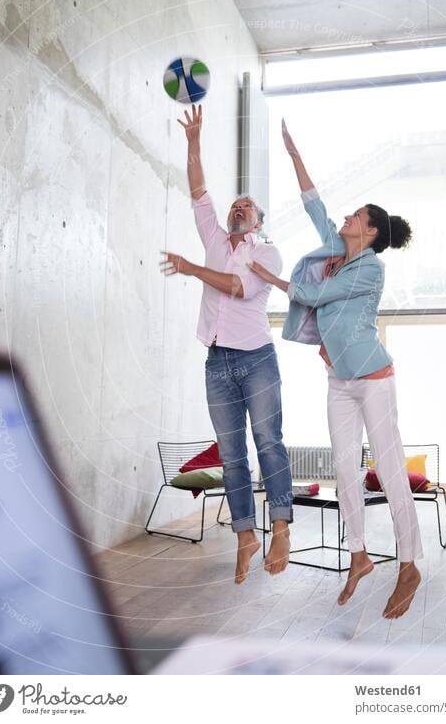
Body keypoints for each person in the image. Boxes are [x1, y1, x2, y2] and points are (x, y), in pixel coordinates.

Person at [248, 119, 422, 619]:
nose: (346, 217)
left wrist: (271, 279)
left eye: (356, 216)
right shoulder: (334, 248)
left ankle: (408, 565)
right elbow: (314, 204)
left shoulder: (370, 267)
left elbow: (311, 296)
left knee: (389, 473)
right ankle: (360, 556)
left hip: (373, 381)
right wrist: (293, 153)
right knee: (343, 468)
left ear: (368, 231)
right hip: (339, 381)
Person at [160, 105, 293, 584]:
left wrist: (193, 269)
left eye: (247, 205)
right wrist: (194, 140)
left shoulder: (266, 254)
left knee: (268, 442)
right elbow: (198, 189)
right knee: (232, 453)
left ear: (258, 220)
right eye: (235, 203)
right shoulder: (215, 237)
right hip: (216, 361)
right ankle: (245, 537)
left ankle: (280, 526)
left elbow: (237, 288)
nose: (238, 207)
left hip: (257, 360)